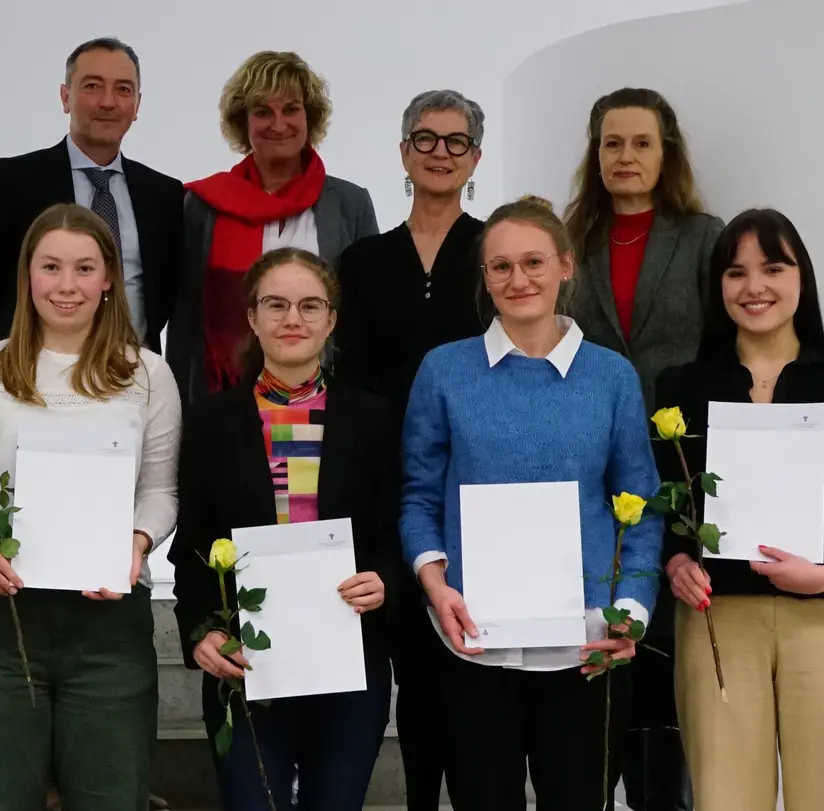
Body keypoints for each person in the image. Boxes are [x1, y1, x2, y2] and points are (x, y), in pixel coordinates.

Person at [400, 195, 664, 811]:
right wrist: (435, 584)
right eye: (500, 267)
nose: (517, 280)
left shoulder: (612, 376)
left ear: (566, 267)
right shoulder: (444, 371)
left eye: (534, 262)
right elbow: (417, 495)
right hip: (473, 642)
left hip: (587, 646)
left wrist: (631, 611)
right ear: (484, 277)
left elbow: (641, 506)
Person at [0, 203, 181, 810]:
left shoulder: (147, 374)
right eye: (50, 267)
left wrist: (137, 543)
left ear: (108, 282)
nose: (66, 285)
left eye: (84, 268)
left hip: (110, 628)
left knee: (111, 798)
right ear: (27, 276)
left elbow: (160, 491)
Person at [654, 209, 824, 811]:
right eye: (736, 273)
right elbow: (662, 500)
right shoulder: (680, 387)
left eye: (772, 268)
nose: (754, 287)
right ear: (717, 287)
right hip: (717, 621)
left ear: (800, 279)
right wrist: (677, 562)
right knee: (725, 796)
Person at [170, 247, 399, 811]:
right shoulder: (209, 421)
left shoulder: (373, 419)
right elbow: (194, 543)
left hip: (349, 656)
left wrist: (386, 579)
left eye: (309, 305)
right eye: (275, 305)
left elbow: (395, 527)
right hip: (247, 659)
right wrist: (202, 632)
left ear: (332, 319)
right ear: (251, 317)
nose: (292, 319)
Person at [564, 87, 724, 811]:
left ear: (667, 154)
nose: (625, 156)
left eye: (641, 143)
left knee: (667, 649)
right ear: (595, 155)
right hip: (590, 471)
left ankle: (667, 794)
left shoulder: (704, 237)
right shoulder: (569, 240)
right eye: (611, 143)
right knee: (606, 635)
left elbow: (723, 349)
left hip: (681, 466)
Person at [335, 90, 487, 810]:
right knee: (408, 664)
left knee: (463, 666)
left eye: (456, 142)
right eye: (424, 139)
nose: (439, 152)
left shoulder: (494, 254)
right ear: (402, 154)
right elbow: (350, 377)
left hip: (472, 483)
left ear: (475, 159)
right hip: (384, 481)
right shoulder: (363, 260)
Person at [172, 50, 379, 406]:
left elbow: (367, 316)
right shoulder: (204, 205)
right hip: (225, 405)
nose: (278, 123)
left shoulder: (349, 204)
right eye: (263, 111)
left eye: (291, 109)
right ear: (243, 121)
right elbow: (185, 320)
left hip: (325, 401)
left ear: (310, 118)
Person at [0, 37, 183, 346]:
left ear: (137, 105)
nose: (108, 102)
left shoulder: (164, 195)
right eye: (92, 86)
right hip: (35, 375)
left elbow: (164, 296)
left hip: (136, 376)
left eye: (123, 89)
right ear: (65, 97)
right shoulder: (13, 182)